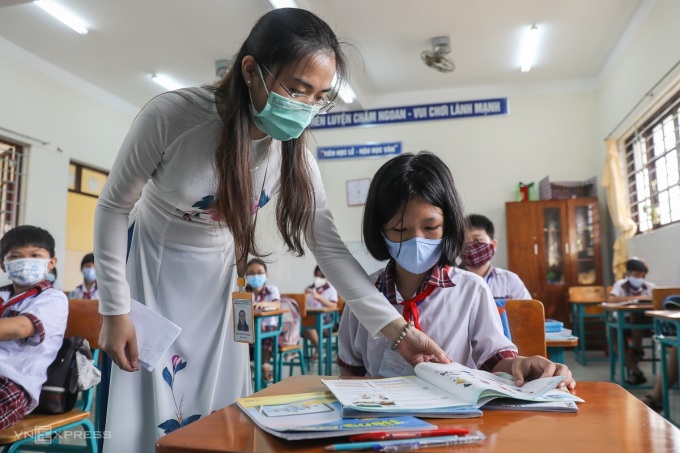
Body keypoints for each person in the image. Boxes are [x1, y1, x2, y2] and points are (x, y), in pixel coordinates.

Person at [93, 8, 449, 451]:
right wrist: (114, 309)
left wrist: (399, 332)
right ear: (250, 71)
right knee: (147, 416)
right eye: (298, 89)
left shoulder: (294, 157)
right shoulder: (173, 116)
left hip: (220, 287)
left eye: (319, 97)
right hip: (150, 271)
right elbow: (112, 208)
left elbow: (330, 250)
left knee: (219, 411)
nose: (305, 107)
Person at [338, 152, 575, 390]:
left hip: (455, 416)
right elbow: (350, 370)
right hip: (384, 417)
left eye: (431, 227)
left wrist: (520, 365)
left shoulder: (471, 289)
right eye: (400, 230)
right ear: (380, 231)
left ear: (449, 225)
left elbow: (495, 359)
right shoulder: (362, 294)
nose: (416, 241)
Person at [0, 225, 68, 430]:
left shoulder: (53, 299)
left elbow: (21, 327)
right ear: (3, 265)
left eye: (35, 255)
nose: (25, 262)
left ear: (51, 263)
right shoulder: (2, 296)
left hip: (12, 383)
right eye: (15, 257)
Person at [608, 258, 655, 385]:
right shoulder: (621, 284)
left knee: (636, 317)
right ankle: (637, 370)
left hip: (644, 324)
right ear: (629, 273)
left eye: (642, 274)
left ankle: (637, 351)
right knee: (615, 341)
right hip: (621, 323)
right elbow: (611, 299)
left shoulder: (650, 287)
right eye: (636, 274)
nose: (640, 277)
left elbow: (657, 299)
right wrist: (636, 298)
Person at [461, 214, 531, 300]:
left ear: (493, 245)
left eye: (477, 240)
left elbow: (528, 311)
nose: (470, 246)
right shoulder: (452, 280)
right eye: (464, 241)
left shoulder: (509, 280)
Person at [245, 258, 280, 381]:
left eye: (259, 272)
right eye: (251, 273)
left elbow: (277, 305)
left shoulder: (272, 290)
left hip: (268, 331)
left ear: (266, 274)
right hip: (248, 331)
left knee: (263, 340)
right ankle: (261, 366)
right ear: (246, 275)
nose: (255, 276)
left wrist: (264, 304)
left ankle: (263, 364)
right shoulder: (243, 292)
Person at [302, 265, 338, 360]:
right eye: (317, 276)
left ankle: (319, 348)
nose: (319, 278)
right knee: (302, 324)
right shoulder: (309, 289)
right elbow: (303, 306)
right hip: (311, 318)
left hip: (327, 321)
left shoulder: (331, 289)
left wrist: (319, 297)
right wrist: (304, 296)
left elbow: (333, 306)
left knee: (308, 325)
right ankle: (320, 347)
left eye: (322, 276)